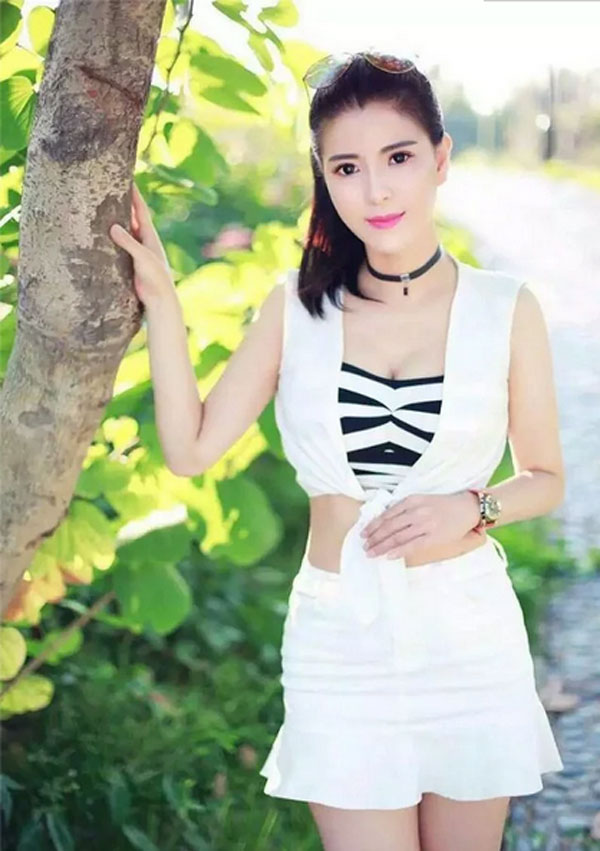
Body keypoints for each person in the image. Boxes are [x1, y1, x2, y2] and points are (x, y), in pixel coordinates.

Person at [109, 49, 565, 851]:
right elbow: (190, 449)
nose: (376, 190)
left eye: (399, 157)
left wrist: (473, 505)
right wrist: (164, 303)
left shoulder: (504, 308)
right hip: (340, 643)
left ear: (441, 158)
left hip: (468, 638)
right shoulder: (296, 309)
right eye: (347, 168)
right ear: (324, 177)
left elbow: (547, 477)